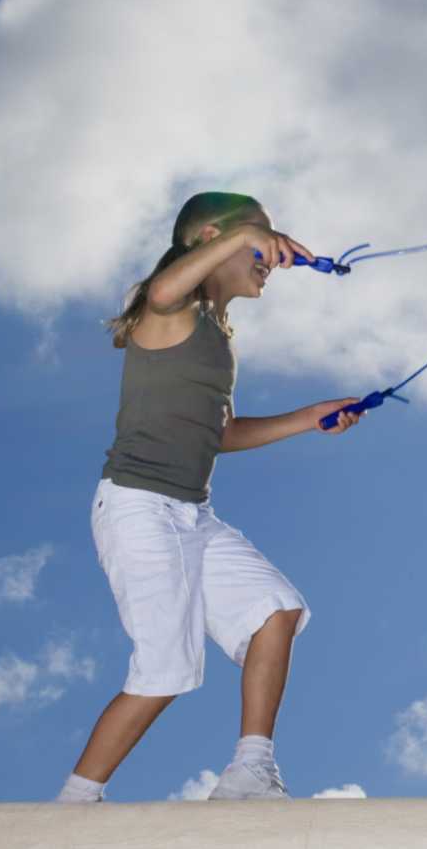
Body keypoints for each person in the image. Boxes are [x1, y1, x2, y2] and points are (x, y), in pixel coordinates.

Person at [56, 192, 366, 803]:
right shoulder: (169, 309)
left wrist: (310, 417)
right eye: (258, 238)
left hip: (192, 514)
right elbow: (164, 291)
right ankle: (74, 804)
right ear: (210, 239)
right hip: (136, 506)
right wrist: (245, 233)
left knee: (275, 612)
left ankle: (249, 774)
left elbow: (220, 434)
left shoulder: (218, 337)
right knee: (165, 669)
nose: (270, 254)